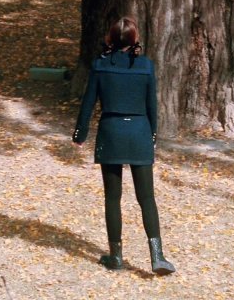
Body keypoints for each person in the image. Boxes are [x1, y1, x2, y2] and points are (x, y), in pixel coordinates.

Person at [71, 15, 176, 275]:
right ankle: (157, 256)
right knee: (147, 198)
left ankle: (116, 256)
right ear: (134, 39)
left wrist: (79, 134)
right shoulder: (145, 66)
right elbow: (152, 106)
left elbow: (88, 104)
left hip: (111, 132)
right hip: (139, 132)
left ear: (110, 38)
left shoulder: (100, 65)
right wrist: (152, 136)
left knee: (113, 198)